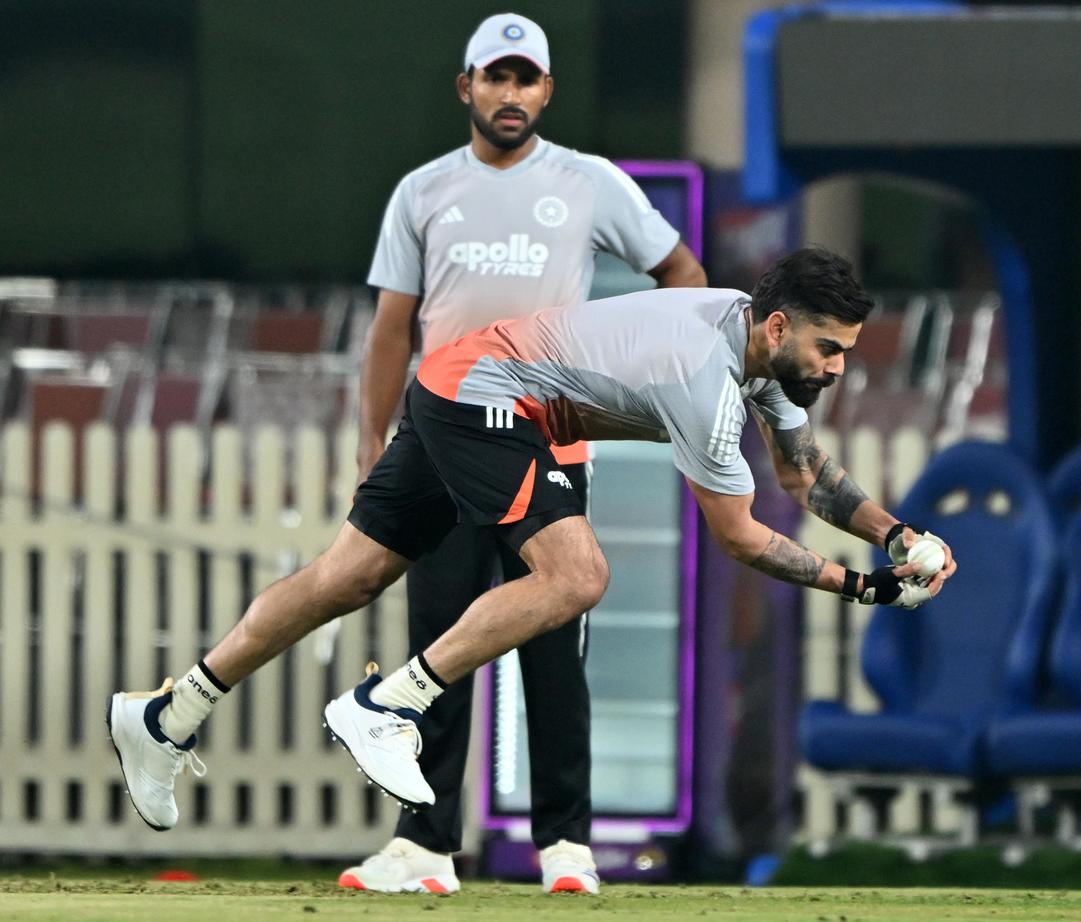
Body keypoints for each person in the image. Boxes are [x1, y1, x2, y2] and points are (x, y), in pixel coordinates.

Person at [106, 246, 957, 890]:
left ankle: (167, 714)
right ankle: (383, 704)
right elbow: (737, 536)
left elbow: (806, 475)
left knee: (349, 576)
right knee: (578, 576)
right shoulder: (705, 374)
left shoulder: (751, 340)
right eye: (829, 349)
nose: (838, 369)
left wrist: (894, 536)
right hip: (489, 398)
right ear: (779, 328)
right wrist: (865, 589)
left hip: (454, 383)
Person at [349, 12, 704, 895]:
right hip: (437, 449)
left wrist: (634, 372)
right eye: (495, 78)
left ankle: (566, 848)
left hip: (548, 445)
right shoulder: (423, 191)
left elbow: (684, 280)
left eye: (527, 79)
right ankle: (424, 848)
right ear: (465, 87)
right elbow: (392, 330)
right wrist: (368, 445)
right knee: (438, 646)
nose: (511, 94)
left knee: (554, 651)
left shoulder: (588, 183)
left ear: (547, 90)